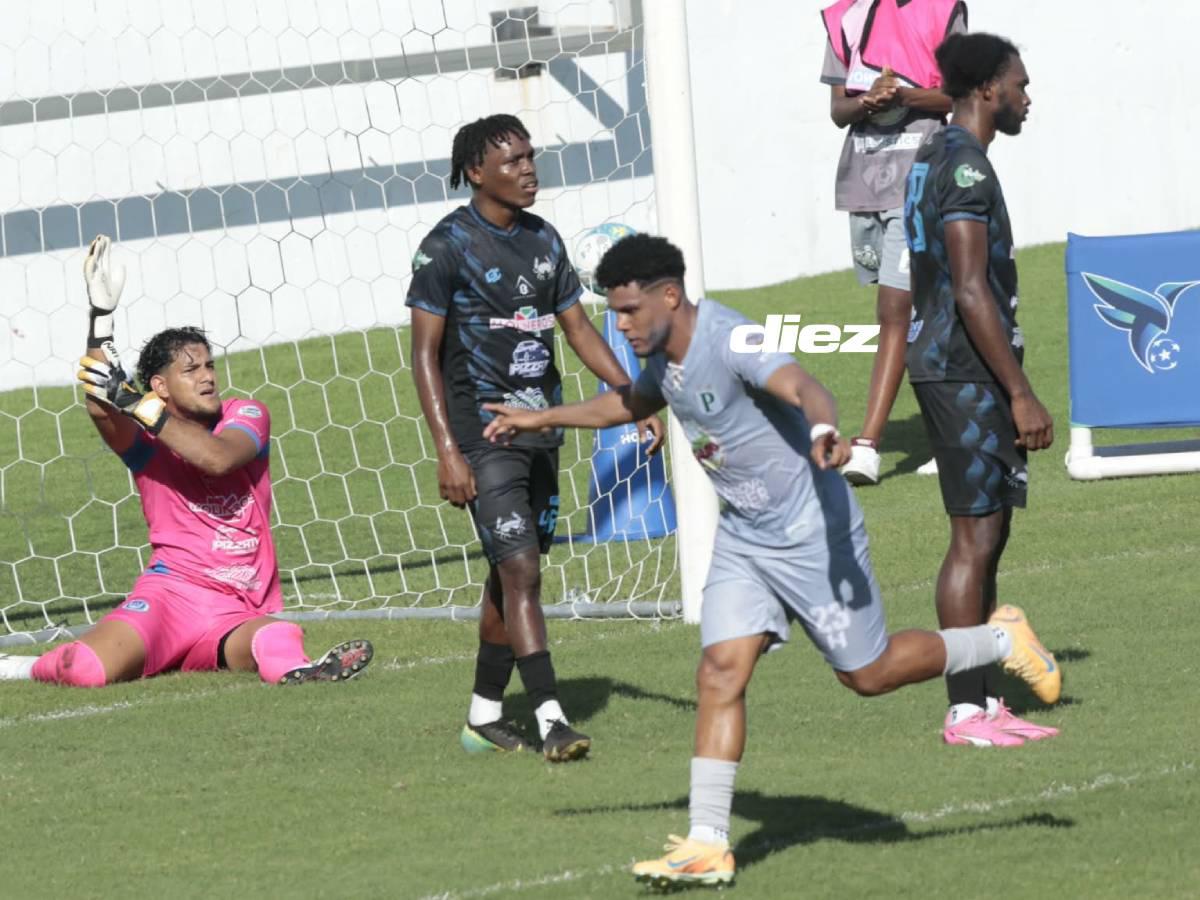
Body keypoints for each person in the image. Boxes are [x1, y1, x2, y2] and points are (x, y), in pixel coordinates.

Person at [481, 233, 1060, 888]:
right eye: (614, 312)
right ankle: (707, 842)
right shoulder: (661, 354)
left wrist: (821, 430)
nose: (620, 324)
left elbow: (806, 385)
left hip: (813, 532)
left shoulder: (728, 338)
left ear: (670, 295)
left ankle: (998, 637)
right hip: (746, 538)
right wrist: (540, 418)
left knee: (868, 676)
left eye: (629, 310)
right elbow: (633, 403)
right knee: (719, 671)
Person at [0, 236, 372, 688]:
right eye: (191, 369)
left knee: (277, 634)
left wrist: (136, 403)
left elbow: (217, 459)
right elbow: (101, 405)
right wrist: (101, 321)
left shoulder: (245, 415)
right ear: (160, 385)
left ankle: (300, 674)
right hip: (169, 597)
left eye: (210, 365)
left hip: (237, 609)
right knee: (83, 669)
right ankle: (15, 666)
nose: (208, 376)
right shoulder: (143, 442)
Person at [404, 114, 664, 762]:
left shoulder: (545, 240)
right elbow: (423, 356)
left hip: (542, 429)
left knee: (511, 569)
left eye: (530, 156)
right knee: (520, 568)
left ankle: (484, 715)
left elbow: (578, 331)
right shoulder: (446, 248)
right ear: (476, 171)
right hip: (483, 434)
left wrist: (633, 401)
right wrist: (447, 449)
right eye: (513, 160)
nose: (528, 169)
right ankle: (552, 719)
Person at [904, 33, 1061, 746]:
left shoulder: (934, 151)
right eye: (1020, 84)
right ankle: (966, 709)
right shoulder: (965, 167)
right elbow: (970, 287)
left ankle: (984, 700)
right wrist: (1020, 390)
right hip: (963, 365)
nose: (1028, 97)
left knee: (989, 529)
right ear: (989, 90)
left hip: (950, 359)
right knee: (974, 535)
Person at [820, 0, 967, 485]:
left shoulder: (943, 9)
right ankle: (958, 437)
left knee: (894, 312)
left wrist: (903, 95)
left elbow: (959, 97)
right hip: (864, 184)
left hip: (920, 181)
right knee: (924, 314)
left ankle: (867, 446)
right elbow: (839, 110)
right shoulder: (844, 17)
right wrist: (868, 101)